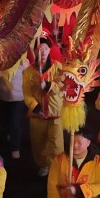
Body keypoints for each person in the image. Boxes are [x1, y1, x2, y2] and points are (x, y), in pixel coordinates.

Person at [23, 39, 63, 177]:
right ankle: (43, 164)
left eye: (45, 49)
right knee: (39, 143)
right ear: (34, 52)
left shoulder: (57, 67)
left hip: (55, 112)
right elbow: (26, 93)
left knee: (56, 144)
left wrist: (47, 85)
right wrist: (35, 107)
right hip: (37, 114)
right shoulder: (28, 71)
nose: (43, 52)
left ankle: (56, 167)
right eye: (39, 49)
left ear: (49, 50)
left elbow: (62, 86)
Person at [47, 127, 100, 198]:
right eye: (73, 141)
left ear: (88, 143)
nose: (75, 145)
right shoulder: (59, 160)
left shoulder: (97, 161)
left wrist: (78, 190)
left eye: (79, 142)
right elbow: (52, 185)